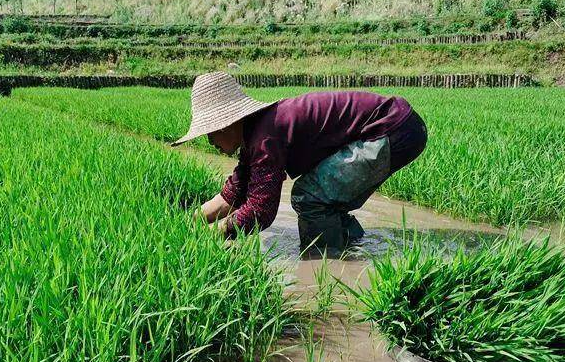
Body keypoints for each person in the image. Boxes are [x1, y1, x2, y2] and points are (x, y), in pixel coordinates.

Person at [172, 72, 428, 256]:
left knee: (310, 197)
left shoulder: (265, 136)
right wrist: (189, 223)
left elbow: (261, 211)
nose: (209, 141)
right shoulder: (256, 134)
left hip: (391, 129)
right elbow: (234, 193)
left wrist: (212, 234)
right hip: (397, 126)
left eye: (211, 131)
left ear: (227, 122)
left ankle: (324, 265)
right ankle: (351, 247)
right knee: (325, 196)